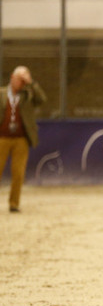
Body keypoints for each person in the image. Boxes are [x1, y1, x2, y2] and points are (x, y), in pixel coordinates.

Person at [0, 66, 47, 213]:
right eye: (19, 79)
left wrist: (31, 83)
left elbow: (42, 100)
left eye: (23, 80)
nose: (20, 83)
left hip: (21, 139)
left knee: (18, 173)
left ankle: (14, 203)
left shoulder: (28, 95)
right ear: (12, 78)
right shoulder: (1, 93)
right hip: (2, 138)